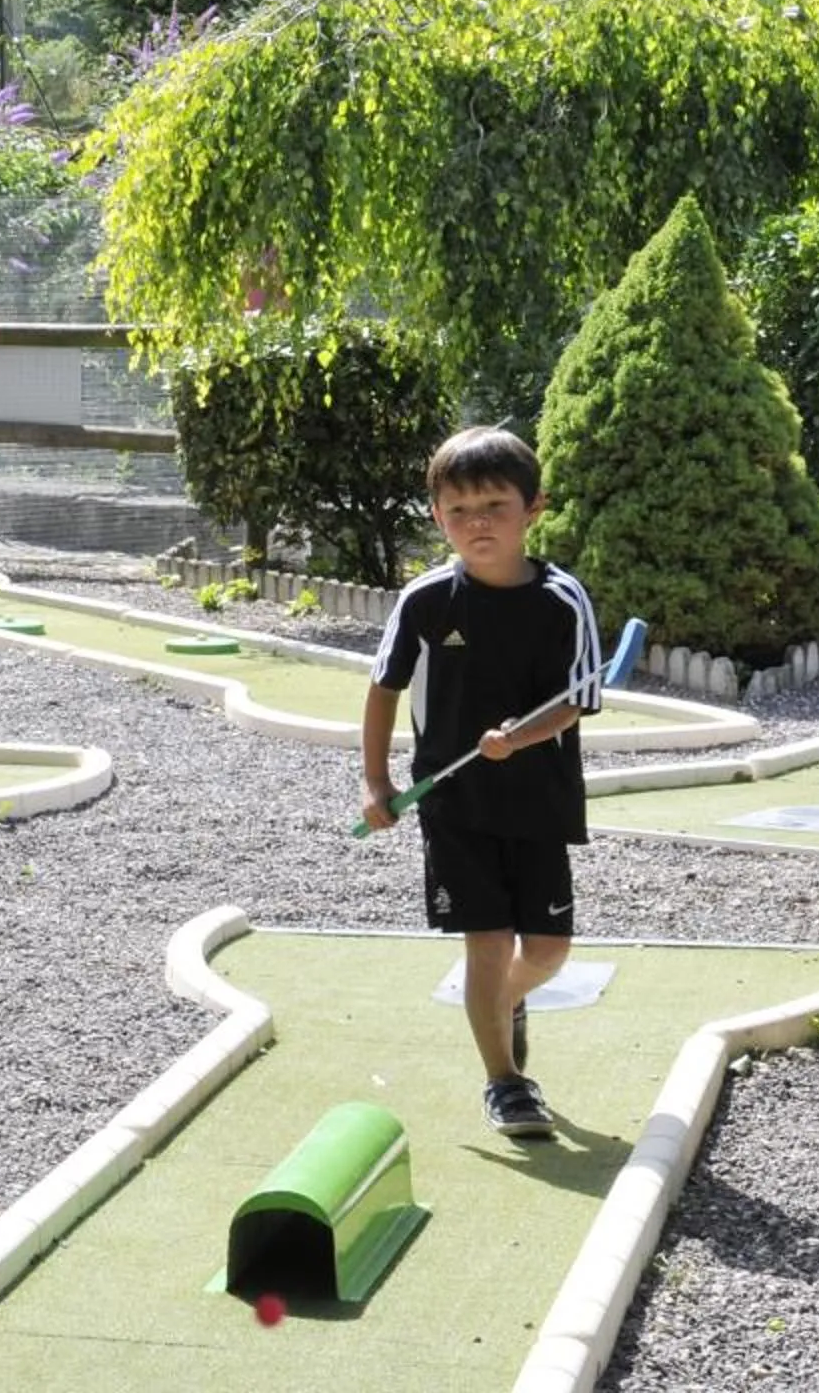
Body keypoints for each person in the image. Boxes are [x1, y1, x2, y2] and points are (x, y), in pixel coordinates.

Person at [357, 425, 603, 1141]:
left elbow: (581, 697)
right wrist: (375, 783)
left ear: (534, 508)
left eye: (495, 505)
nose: (477, 523)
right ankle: (505, 1081)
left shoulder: (564, 599)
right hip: (453, 803)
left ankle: (504, 1002)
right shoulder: (428, 600)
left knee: (548, 951)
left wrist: (518, 738)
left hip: (542, 800)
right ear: (437, 515)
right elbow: (382, 690)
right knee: (487, 943)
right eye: (458, 510)